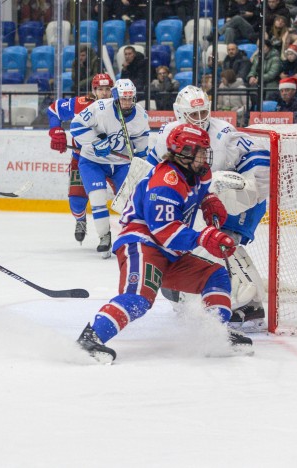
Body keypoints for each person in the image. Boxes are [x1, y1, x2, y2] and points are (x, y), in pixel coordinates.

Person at [76, 124, 252, 364]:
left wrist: (208, 200)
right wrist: (204, 237)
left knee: (216, 276)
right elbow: (164, 231)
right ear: (184, 152)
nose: (205, 156)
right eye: (200, 151)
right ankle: (89, 339)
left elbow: (201, 191)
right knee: (139, 297)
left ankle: (215, 334)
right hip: (143, 243)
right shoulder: (165, 183)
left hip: (171, 251)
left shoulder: (199, 173)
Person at [147, 86, 271, 332]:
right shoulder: (167, 133)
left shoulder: (224, 133)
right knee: (199, 248)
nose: (201, 119)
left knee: (216, 245)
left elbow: (262, 165)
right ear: (179, 113)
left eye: (204, 112)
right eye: (194, 114)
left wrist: (242, 192)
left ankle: (245, 302)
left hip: (237, 202)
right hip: (203, 203)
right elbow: (150, 173)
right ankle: (246, 303)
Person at [70, 78, 150, 258]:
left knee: (131, 201)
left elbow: (142, 147)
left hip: (121, 164)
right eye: (123, 98)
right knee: (97, 197)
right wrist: (96, 141)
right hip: (93, 161)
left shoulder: (141, 116)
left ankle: (132, 237)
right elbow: (75, 126)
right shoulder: (99, 108)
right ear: (116, 97)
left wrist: (141, 162)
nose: (127, 103)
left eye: (130, 99)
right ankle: (104, 236)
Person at [47, 73, 114, 244]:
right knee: (76, 203)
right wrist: (56, 130)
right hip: (82, 159)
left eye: (108, 89)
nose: (104, 93)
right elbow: (53, 109)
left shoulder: (119, 106)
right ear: (94, 90)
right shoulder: (80, 104)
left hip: (113, 160)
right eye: (100, 89)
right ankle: (80, 220)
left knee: (128, 198)